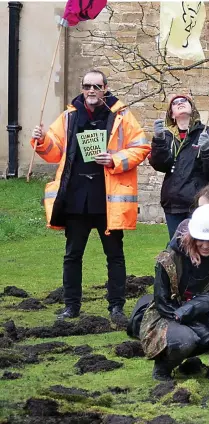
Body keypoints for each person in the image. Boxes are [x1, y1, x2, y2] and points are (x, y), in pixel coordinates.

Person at [31, 70, 150, 323]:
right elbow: (54, 151)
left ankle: (116, 308)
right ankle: (71, 307)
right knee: (72, 255)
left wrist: (115, 159)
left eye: (97, 86)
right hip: (75, 198)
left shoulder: (122, 115)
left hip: (108, 199)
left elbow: (141, 147)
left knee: (115, 257)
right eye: (87, 86)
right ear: (82, 87)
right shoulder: (68, 116)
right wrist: (41, 141)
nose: (92, 90)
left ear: (105, 87)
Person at [139, 204, 209, 382]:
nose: (206, 245)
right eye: (201, 239)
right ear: (191, 235)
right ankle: (163, 367)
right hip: (169, 316)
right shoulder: (169, 258)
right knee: (186, 339)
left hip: (203, 314)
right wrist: (186, 318)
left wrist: (192, 308)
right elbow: (161, 301)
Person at [149, 94, 209, 239]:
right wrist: (158, 140)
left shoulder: (208, 134)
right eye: (175, 103)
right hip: (174, 203)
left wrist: (207, 149)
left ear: (192, 108)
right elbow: (160, 165)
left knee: (201, 244)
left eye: (184, 101)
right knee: (178, 247)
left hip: (201, 202)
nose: (180, 103)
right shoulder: (167, 137)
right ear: (171, 114)